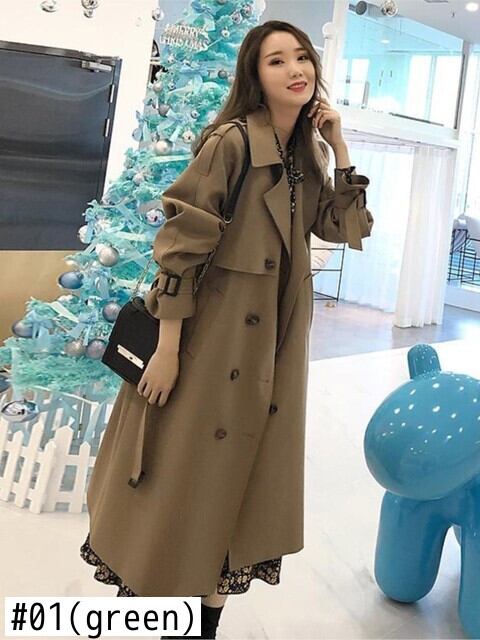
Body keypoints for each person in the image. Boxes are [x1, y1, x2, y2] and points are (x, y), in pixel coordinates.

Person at [80, 19, 373, 640]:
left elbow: (346, 228)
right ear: (254, 76)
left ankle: (206, 624)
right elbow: (180, 251)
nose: (295, 69)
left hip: (270, 353)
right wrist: (166, 351)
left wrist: (340, 144)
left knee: (240, 496)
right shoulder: (232, 143)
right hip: (207, 347)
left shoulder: (309, 156)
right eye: (276, 61)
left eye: (302, 57)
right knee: (181, 489)